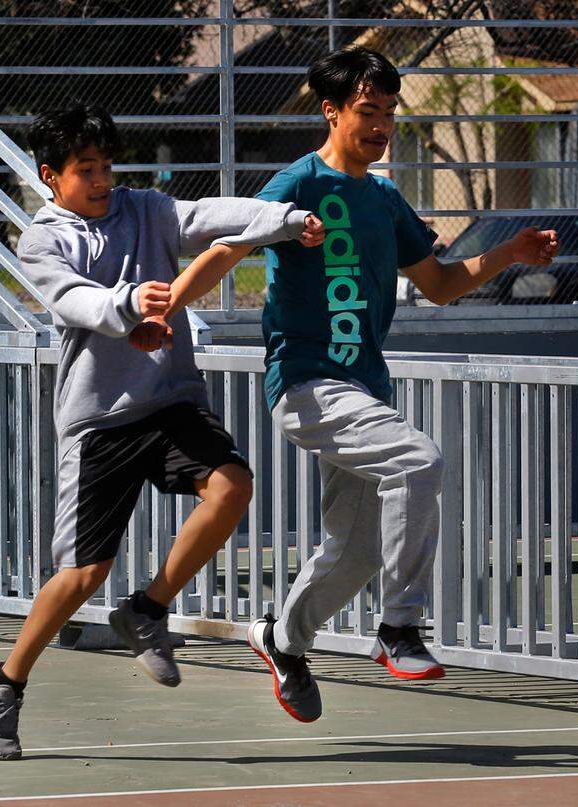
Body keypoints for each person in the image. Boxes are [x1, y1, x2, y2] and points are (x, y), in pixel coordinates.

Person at [164, 47, 557, 723]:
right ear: (333, 111)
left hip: (363, 392)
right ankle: (399, 625)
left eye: (389, 116)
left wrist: (506, 254)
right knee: (419, 459)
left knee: (357, 549)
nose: (380, 128)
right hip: (308, 385)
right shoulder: (298, 182)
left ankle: (283, 639)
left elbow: (438, 285)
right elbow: (226, 249)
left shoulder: (383, 199)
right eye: (367, 113)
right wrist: (165, 308)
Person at [0, 103, 325, 760]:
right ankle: (3, 681)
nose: (102, 181)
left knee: (232, 485)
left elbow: (210, 218)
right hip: (99, 420)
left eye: (106, 167)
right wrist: (131, 305)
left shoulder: (147, 209)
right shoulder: (42, 240)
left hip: (168, 401)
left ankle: (149, 608)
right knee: (81, 575)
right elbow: (76, 299)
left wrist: (286, 220)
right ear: (50, 176)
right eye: (85, 171)